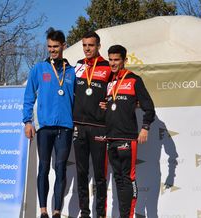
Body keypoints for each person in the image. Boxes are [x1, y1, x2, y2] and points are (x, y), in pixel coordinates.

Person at [23, 27, 75, 218]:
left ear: (63, 46)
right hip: (44, 127)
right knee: (43, 167)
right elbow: (29, 97)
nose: (52, 50)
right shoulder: (39, 69)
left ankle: (57, 211)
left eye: (55, 47)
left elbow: (79, 99)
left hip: (65, 127)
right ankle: (43, 210)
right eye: (49, 47)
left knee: (61, 168)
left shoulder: (71, 71)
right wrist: (27, 122)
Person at [100, 44, 155, 218]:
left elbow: (149, 107)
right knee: (118, 179)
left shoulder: (134, 79)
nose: (113, 63)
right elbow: (115, 106)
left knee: (128, 179)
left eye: (117, 60)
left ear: (125, 60)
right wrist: (105, 106)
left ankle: (129, 216)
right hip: (111, 138)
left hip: (127, 138)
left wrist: (145, 127)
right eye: (110, 59)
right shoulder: (110, 82)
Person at [73, 31, 112, 218]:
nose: (87, 48)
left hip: (98, 126)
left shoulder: (107, 66)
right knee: (81, 172)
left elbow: (117, 92)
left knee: (99, 174)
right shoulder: (78, 66)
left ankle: (100, 213)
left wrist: (110, 103)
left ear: (98, 46)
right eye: (84, 45)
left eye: (91, 45)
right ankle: (85, 213)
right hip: (78, 126)